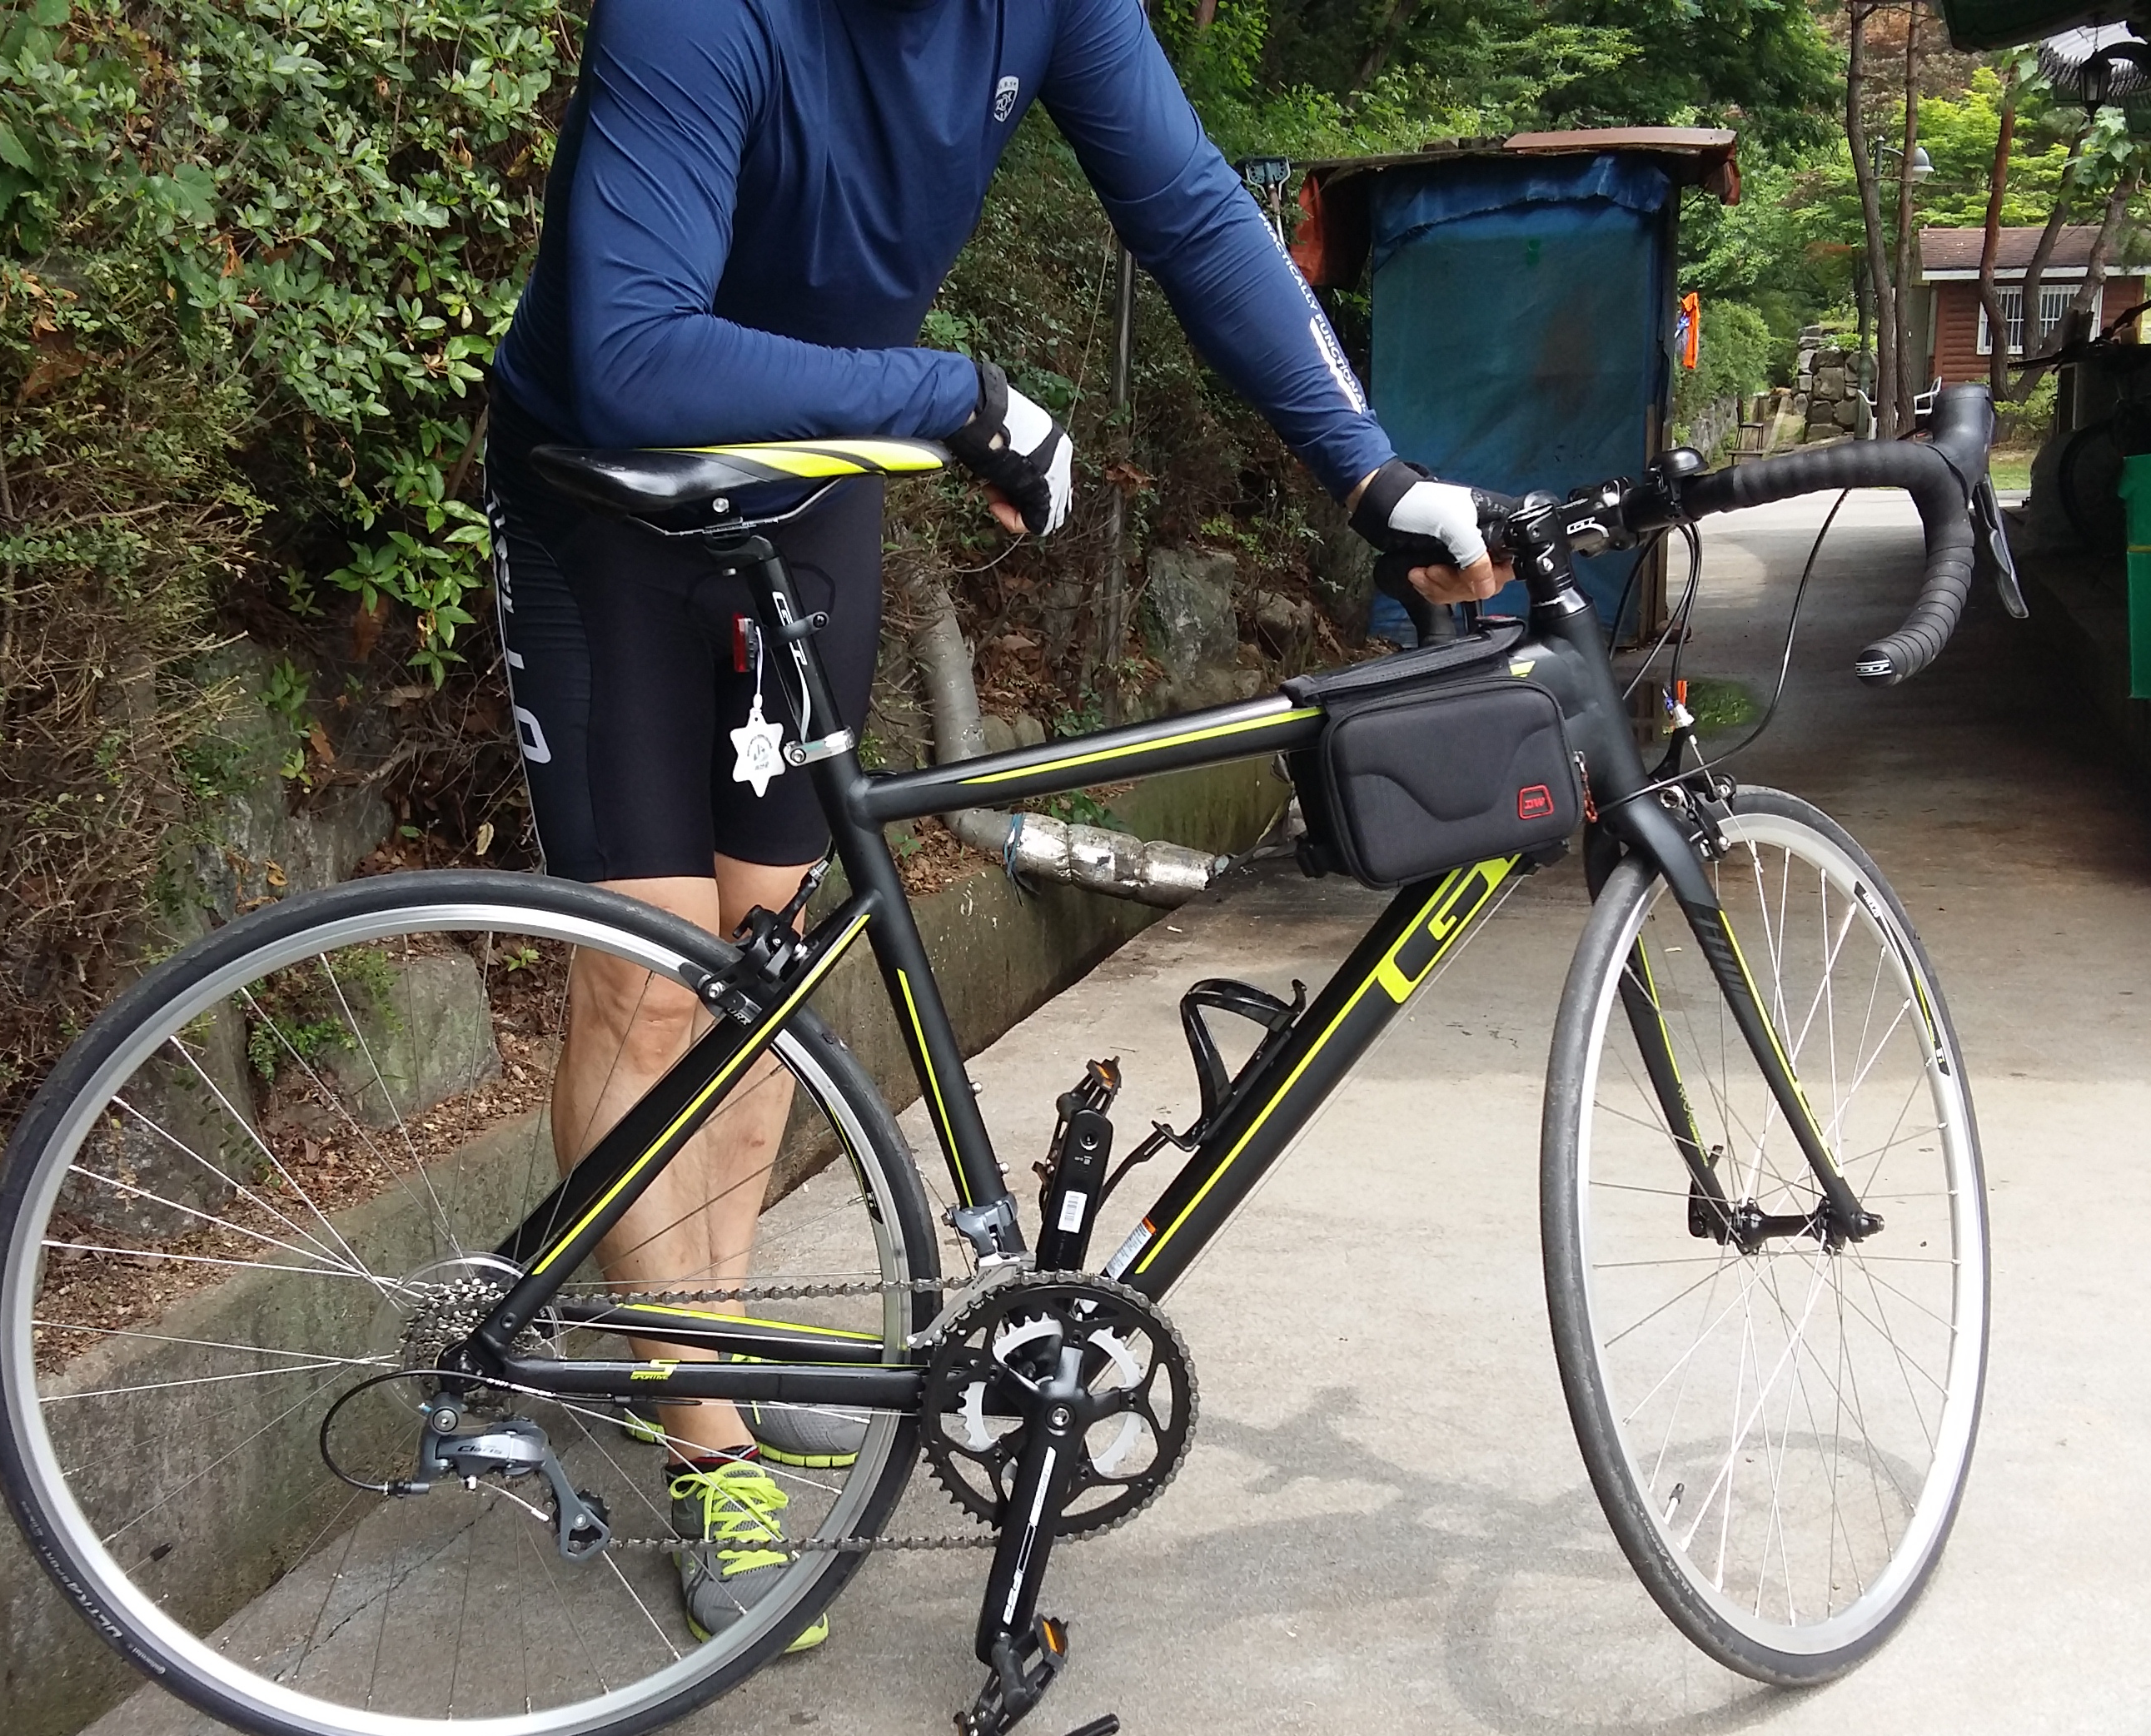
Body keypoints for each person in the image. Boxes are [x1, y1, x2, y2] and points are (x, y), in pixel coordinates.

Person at [481, 0, 1510, 1649]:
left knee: (767, 966)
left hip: (809, 490)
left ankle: (705, 1339)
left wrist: (1371, 477)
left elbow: (1194, 215)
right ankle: (704, 1436)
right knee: (652, 985)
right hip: (601, 495)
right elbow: (629, 349)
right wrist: (956, 394)